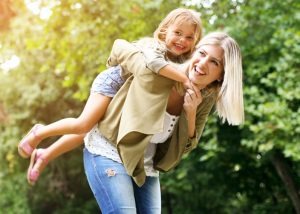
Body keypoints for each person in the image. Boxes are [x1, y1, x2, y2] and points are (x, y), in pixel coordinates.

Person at [27, 31, 244, 213]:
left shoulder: (204, 98)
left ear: (221, 76)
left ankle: (45, 152)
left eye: (214, 62)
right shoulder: (161, 69)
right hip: (109, 149)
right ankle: (40, 137)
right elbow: (124, 49)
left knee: (85, 125)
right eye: (202, 53)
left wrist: (190, 112)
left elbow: (186, 147)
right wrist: (124, 61)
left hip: (144, 166)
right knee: (85, 123)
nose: (202, 63)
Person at [19, 7, 202, 177]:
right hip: (114, 84)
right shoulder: (154, 48)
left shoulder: (186, 62)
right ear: (164, 31)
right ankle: (39, 133)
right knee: (84, 124)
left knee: (91, 130)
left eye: (189, 37)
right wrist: (184, 79)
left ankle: (45, 154)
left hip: (128, 95)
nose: (182, 40)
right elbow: (155, 65)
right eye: (177, 33)